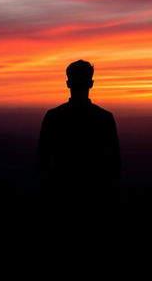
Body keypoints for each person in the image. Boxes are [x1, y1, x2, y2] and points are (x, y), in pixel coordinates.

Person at [37, 60, 120, 198]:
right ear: (91, 84)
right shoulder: (104, 118)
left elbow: (43, 158)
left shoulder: (54, 116)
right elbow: (113, 161)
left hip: (61, 190)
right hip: (96, 191)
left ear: (68, 83)